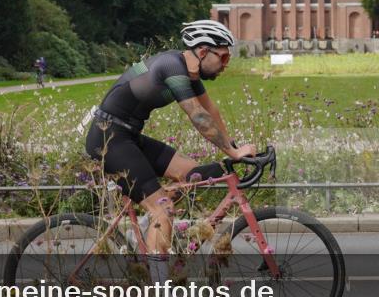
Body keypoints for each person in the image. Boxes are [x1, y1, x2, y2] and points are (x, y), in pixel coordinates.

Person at [85, 19, 256, 277]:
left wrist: (233, 147)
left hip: (128, 136)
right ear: (202, 52)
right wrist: (233, 154)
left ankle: (149, 231)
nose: (226, 64)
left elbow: (211, 110)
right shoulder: (171, 67)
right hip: (109, 139)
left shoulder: (189, 72)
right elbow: (198, 116)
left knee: (194, 173)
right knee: (163, 209)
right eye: (222, 57)